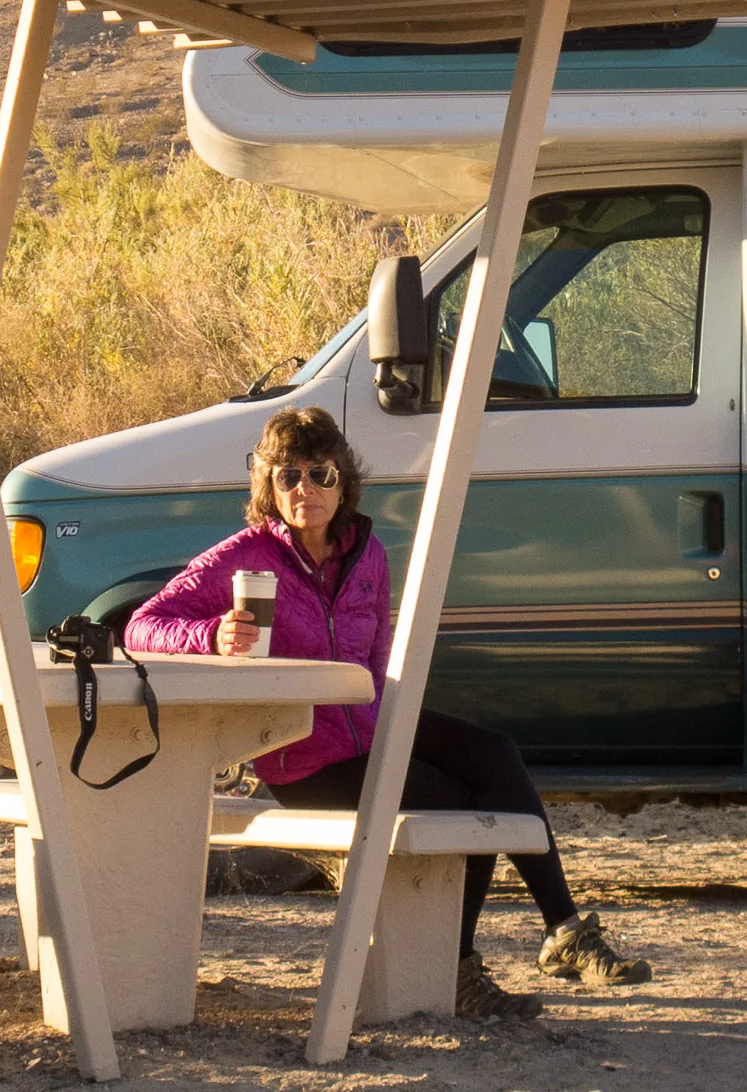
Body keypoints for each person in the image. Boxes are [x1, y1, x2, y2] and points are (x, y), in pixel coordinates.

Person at [125, 405, 650, 1019]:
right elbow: (142, 625)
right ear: (268, 486)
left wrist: (390, 732)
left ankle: (564, 930)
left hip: (370, 728)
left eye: (320, 475)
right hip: (303, 757)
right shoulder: (244, 560)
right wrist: (212, 636)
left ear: (343, 481)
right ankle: (453, 969)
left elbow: (376, 662)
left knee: (494, 755)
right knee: (458, 807)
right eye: (288, 476)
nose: (305, 489)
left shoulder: (366, 553)